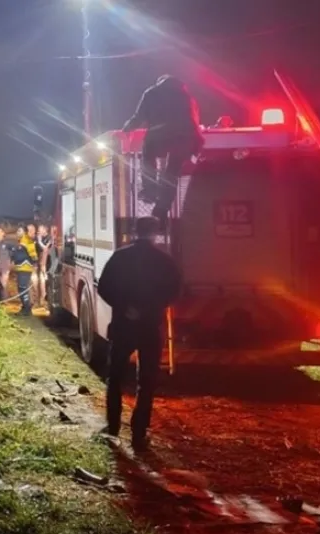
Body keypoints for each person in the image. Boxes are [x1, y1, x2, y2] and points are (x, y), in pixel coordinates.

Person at [96, 216, 182, 451]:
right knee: (146, 381)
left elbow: (103, 286)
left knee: (115, 378)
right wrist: (151, 309)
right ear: (155, 233)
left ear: (135, 231)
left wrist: (125, 308)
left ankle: (112, 428)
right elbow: (175, 291)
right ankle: (139, 433)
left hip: (123, 326)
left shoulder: (120, 257)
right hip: (150, 327)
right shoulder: (165, 261)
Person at [123, 75, 204, 219]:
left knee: (148, 156)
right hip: (184, 139)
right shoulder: (188, 97)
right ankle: (162, 208)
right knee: (172, 173)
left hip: (159, 134)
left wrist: (127, 128)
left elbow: (140, 116)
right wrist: (197, 145)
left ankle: (150, 191)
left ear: (160, 83)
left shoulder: (152, 93)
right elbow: (194, 122)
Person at [11, 225, 40, 315]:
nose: (17, 233)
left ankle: (27, 309)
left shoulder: (27, 240)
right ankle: (24, 306)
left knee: (23, 288)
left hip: (25, 268)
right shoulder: (20, 241)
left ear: (24, 232)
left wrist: (34, 265)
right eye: (17, 231)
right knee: (21, 288)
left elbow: (34, 255)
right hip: (20, 268)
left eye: (19, 231)